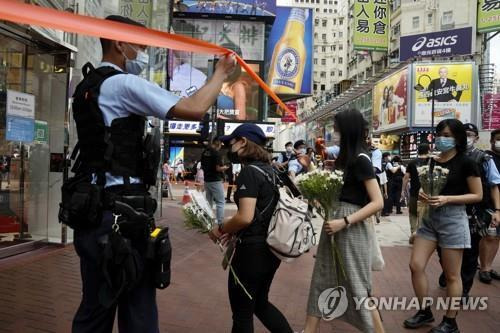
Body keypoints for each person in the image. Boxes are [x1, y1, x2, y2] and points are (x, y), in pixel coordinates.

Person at [70, 15, 236, 333]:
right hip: (122, 216)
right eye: (141, 45)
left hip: (91, 212)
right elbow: (193, 108)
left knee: (95, 308)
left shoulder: (87, 87)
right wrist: (219, 73)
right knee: (139, 311)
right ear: (120, 43)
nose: (143, 53)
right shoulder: (122, 83)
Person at [304, 109, 385, 333]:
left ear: (346, 130)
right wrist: (310, 170)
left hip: (350, 228)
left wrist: (345, 221)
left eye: (337, 128)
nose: (334, 132)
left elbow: (378, 202)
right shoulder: (346, 159)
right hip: (334, 224)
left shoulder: (361, 159)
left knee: (358, 287)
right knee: (321, 278)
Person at [209, 123, 293, 333]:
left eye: (232, 143)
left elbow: (245, 217)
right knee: (260, 304)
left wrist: (221, 228)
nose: (229, 148)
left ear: (243, 142)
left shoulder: (250, 173)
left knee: (242, 313)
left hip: (251, 253)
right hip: (271, 249)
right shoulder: (272, 172)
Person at [404, 119, 482, 333]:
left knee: (451, 276)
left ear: (458, 138)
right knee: (415, 265)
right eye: (439, 134)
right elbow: (427, 188)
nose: (442, 138)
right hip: (430, 219)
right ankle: (424, 311)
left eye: (447, 135)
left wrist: (448, 199)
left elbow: (477, 195)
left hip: (453, 219)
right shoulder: (432, 161)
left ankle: (450, 321)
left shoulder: (467, 162)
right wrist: (423, 194)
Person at [459, 124, 500, 286]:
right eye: (464, 134)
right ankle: (448, 271)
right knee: (449, 247)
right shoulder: (448, 156)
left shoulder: (483, 158)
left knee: (473, 247)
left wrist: (497, 210)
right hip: (453, 208)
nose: (467, 137)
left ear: (476, 137)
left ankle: (465, 287)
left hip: (477, 210)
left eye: (470, 134)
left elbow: (494, 184)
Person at [402, 143, 431, 244]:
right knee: (425, 215)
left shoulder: (412, 162)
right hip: (428, 194)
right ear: (428, 150)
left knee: (413, 214)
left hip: (414, 192)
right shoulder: (431, 162)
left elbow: (406, 177)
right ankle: (421, 235)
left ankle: (413, 232)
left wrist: (403, 190)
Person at [484, 128, 500, 282]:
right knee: (489, 236)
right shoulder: (487, 157)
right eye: (498, 139)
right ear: (492, 141)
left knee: (497, 238)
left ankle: (488, 266)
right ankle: (484, 268)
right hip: (489, 203)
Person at [201, 138, 229, 226]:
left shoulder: (205, 152)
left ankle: (207, 221)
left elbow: (202, 165)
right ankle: (220, 222)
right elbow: (217, 168)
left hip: (207, 180)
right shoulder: (216, 153)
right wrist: (225, 168)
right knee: (220, 202)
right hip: (215, 180)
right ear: (218, 144)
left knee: (208, 201)